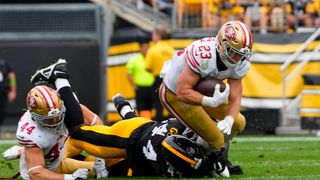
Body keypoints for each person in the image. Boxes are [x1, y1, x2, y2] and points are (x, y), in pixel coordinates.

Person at [29, 59, 230, 178]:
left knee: (111, 161)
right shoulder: (189, 148)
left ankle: (124, 107)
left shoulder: (196, 126)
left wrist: (218, 159)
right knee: (79, 132)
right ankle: (59, 76)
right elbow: (172, 149)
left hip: (143, 127)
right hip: (129, 139)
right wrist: (212, 165)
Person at [159, 20, 253, 175]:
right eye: (234, 52)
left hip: (202, 93)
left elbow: (235, 98)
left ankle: (213, 157)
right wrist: (209, 101)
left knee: (238, 122)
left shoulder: (240, 62)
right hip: (174, 94)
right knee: (216, 139)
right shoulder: (203, 54)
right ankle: (196, 163)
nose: (237, 59)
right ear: (222, 45)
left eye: (241, 55)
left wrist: (229, 120)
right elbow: (183, 92)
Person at [15, 76, 108, 179]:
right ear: (34, 116)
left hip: (63, 145)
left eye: (58, 115)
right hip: (50, 165)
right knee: (101, 170)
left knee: (82, 134)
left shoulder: (67, 104)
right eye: (48, 119)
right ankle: (22, 151)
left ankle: (19, 151)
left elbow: (95, 122)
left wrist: (100, 157)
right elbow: (36, 173)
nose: (55, 121)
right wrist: (70, 178)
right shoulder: (30, 133)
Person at [145, 26, 175, 122]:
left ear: (158, 35)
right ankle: (174, 123)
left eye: (153, 34)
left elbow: (148, 67)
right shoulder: (171, 49)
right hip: (170, 79)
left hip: (158, 79)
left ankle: (158, 124)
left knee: (158, 105)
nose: (152, 37)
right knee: (171, 103)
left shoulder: (152, 50)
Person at [126, 41, 155, 119]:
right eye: (144, 47)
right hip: (140, 88)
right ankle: (142, 123)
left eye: (147, 47)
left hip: (151, 87)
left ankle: (149, 122)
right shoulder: (135, 60)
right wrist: (133, 86)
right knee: (141, 107)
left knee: (150, 107)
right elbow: (129, 74)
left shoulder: (151, 58)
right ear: (140, 48)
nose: (146, 49)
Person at [0, 58, 17, 136]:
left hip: (3, 92)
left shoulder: (3, 63)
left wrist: (13, 91)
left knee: (2, 112)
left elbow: (12, 76)